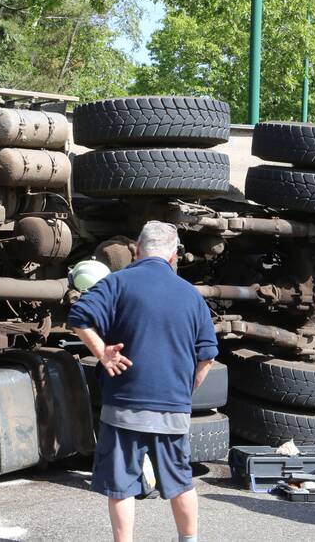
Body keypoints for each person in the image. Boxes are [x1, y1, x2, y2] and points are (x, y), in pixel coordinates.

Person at [68, 221, 218, 542]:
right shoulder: (191, 296)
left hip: (123, 407)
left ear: (137, 250)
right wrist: (184, 393)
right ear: (174, 256)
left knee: (121, 486)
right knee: (180, 483)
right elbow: (207, 356)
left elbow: (79, 315)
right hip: (172, 409)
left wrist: (102, 353)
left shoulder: (118, 283)